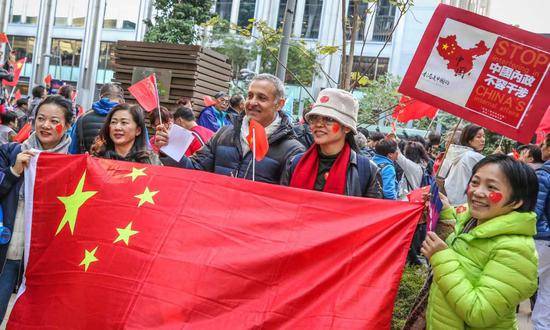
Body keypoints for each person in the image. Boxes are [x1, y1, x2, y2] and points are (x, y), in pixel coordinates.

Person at [422, 154, 539, 329]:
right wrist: (444, 210)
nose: (477, 192)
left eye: (491, 187)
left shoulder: (517, 251)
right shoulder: (470, 220)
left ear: (516, 202)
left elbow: (479, 313)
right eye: (475, 182)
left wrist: (441, 258)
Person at [154, 73, 304, 183]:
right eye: (250, 95)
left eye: (262, 98)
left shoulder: (292, 150)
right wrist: (170, 147)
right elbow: (194, 169)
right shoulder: (224, 134)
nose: (252, 102)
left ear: (279, 104)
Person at [0, 95, 74, 320]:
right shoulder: (10, 151)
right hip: (7, 253)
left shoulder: (74, 164)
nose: (46, 125)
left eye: (54, 121)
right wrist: (14, 172)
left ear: (68, 125)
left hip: (43, 262)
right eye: (41, 119)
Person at [280, 88, 381, 198]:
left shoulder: (367, 170)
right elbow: (283, 206)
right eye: (314, 118)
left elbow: (374, 213)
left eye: (328, 119)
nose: (318, 124)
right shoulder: (294, 163)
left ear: (347, 127)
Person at [91, 104, 160, 165]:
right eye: (113, 122)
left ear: (138, 130)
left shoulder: (150, 160)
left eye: (124, 122)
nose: (117, 127)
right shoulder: (98, 158)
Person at [69, 83, 124, 154]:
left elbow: (72, 150)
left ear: (100, 97)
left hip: (88, 163)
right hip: (119, 164)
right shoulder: (129, 120)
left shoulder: (82, 118)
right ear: (121, 100)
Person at [442, 124, 485, 205]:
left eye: (483, 136)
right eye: (478, 137)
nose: (483, 140)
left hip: (450, 197)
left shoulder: (459, 153)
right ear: (469, 140)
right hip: (462, 203)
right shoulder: (472, 156)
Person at [533, 133, 550, 329]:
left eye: (543, 144)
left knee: (515, 285)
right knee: (547, 294)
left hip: (542, 240)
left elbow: (535, 211)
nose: (540, 147)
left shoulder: (543, 174)